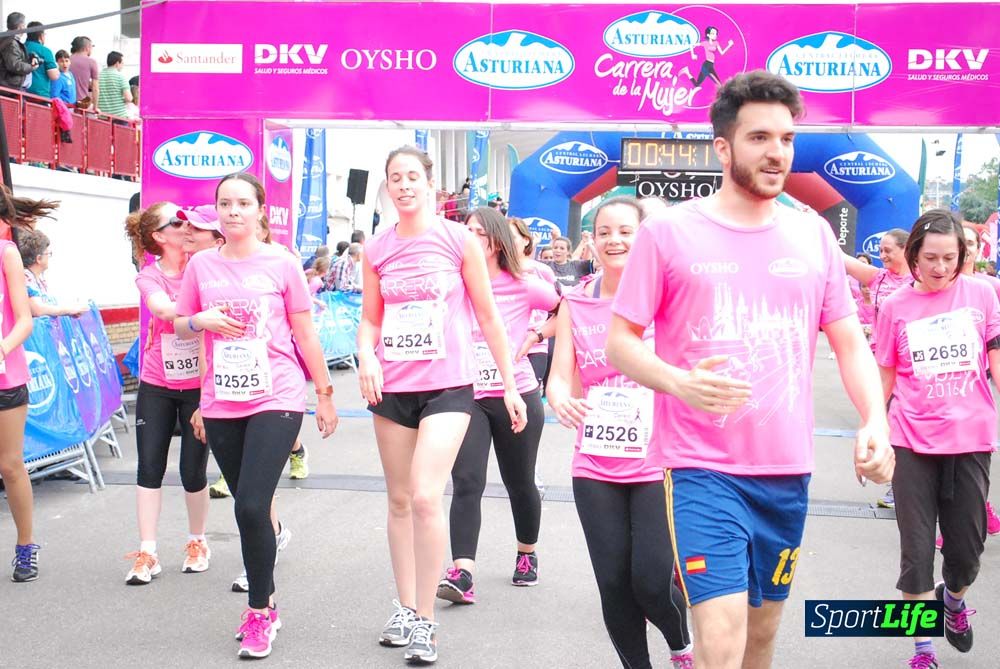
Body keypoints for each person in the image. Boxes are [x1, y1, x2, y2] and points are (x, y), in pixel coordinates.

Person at [604, 71, 894, 669]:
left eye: (786, 139)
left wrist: (875, 420)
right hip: (701, 468)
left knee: (761, 638)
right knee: (721, 636)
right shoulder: (668, 233)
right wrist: (678, 382)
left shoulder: (813, 236)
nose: (777, 152)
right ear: (723, 146)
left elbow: (849, 342)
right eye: (759, 137)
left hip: (787, 472)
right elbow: (620, 342)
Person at [358, 146, 526, 664]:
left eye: (413, 176)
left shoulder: (457, 240)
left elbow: (488, 316)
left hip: (449, 386)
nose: (404, 185)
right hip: (393, 389)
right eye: (395, 178)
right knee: (399, 500)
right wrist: (366, 357)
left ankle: (427, 621)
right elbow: (370, 319)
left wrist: (510, 385)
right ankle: (406, 607)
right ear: (387, 187)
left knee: (427, 496)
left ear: (430, 185)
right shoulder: (376, 247)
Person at [174, 173, 338, 659]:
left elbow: (305, 334)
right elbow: (182, 325)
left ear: (260, 210)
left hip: (277, 395)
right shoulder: (201, 265)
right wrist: (198, 322)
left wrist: (324, 393)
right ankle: (267, 601)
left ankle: (259, 611)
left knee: (249, 504)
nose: (233, 212)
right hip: (223, 398)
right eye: (225, 203)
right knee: (248, 509)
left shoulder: (281, 263)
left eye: (243, 203)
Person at [547, 196, 694, 669]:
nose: (615, 240)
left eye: (626, 231)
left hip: (657, 463)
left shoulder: (667, 300)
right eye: (605, 232)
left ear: (644, 237)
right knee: (613, 584)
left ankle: (681, 646)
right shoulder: (576, 302)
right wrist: (559, 398)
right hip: (594, 463)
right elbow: (559, 376)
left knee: (650, 582)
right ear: (591, 240)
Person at [874, 210, 997, 669]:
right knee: (917, 552)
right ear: (914, 256)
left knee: (966, 553)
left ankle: (954, 601)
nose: (941, 267)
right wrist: (871, 429)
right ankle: (922, 650)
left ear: (963, 256)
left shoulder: (982, 294)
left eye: (950, 258)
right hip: (910, 438)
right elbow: (885, 373)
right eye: (931, 258)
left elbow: (995, 355)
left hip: (970, 437)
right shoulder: (895, 306)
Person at [437, 207, 558, 604]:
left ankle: (527, 553)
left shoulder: (522, 283)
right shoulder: (456, 284)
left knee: (519, 480)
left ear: (494, 241)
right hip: (467, 395)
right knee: (466, 481)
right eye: (465, 230)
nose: (469, 237)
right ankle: (463, 572)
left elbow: (567, 309)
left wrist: (537, 334)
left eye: (478, 232)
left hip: (516, 393)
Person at [123, 204, 215, 585]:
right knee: (149, 467)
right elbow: (162, 310)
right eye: (176, 223)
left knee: (193, 471)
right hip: (158, 383)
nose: (184, 226)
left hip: (198, 385)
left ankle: (198, 542)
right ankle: (148, 551)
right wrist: (201, 314)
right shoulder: (149, 276)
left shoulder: (204, 266)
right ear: (159, 236)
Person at [0, 187, 56, 582]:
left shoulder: (7, 252)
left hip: (6, 375)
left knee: (10, 465)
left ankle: (25, 545)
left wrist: (2, 347)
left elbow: (24, 319)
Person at [844, 229, 912, 510]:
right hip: (878, 363)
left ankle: (902, 486)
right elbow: (840, 259)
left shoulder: (919, 280)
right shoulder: (878, 277)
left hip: (908, 367)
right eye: (880, 250)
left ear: (906, 249)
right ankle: (898, 482)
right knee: (883, 420)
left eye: (888, 250)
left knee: (901, 425)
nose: (882, 255)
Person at [509, 216, 558, 389]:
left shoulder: (542, 270)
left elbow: (562, 307)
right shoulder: (496, 271)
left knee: (530, 393)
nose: (508, 242)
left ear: (526, 240)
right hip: (505, 345)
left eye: (512, 237)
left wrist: (538, 334)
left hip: (536, 345)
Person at [16, 229, 87, 317]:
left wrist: (69, 310)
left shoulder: (38, 277)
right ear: (39, 259)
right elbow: (37, 309)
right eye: (48, 254)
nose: (49, 257)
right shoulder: (26, 277)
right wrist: (68, 310)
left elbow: (48, 306)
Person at [0, 13, 36, 91]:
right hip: (9, 87)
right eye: (24, 25)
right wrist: (31, 67)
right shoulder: (11, 43)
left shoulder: (6, 39)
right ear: (20, 26)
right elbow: (14, 65)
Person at [23, 22, 57, 99]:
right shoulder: (45, 51)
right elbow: (53, 76)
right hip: (40, 95)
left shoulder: (21, 47)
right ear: (41, 36)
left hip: (20, 93)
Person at [97, 51, 132, 118]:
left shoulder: (98, 76)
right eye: (122, 63)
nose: (123, 66)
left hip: (102, 117)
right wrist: (119, 100)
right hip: (119, 116)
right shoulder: (121, 76)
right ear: (117, 63)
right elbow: (129, 98)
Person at [69, 36, 99, 110]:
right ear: (87, 48)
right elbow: (95, 88)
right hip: (82, 103)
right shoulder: (91, 62)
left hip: (67, 102)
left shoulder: (67, 60)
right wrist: (95, 107)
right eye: (91, 47)